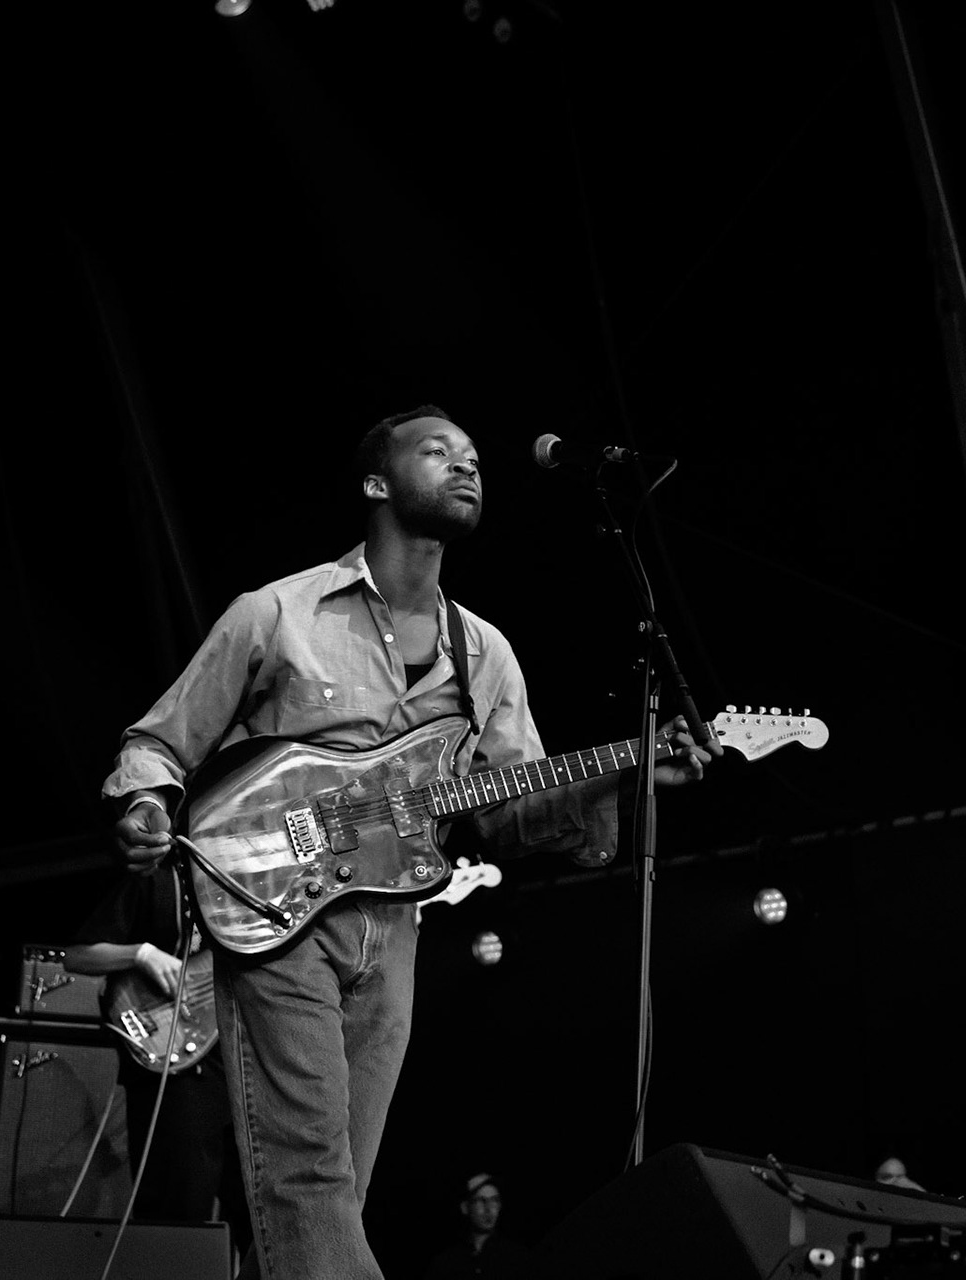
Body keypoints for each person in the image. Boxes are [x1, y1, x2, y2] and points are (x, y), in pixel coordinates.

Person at [102, 406, 716, 1279]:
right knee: (308, 1174)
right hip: (276, 912)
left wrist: (628, 775)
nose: (467, 466)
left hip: (394, 929)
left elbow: (510, 810)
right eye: (438, 451)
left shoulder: (486, 653)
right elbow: (158, 742)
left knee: (335, 1183)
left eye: (473, 458)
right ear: (376, 482)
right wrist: (144, 803)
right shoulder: (279, 613)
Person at [63, 865, 251, 1259]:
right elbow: (77, 955)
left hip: (242, 1057)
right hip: (173, 1061)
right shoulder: (157, 877)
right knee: (177, 1214)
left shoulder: (256, 883)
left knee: (259, 1212)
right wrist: (141, 954)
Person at [422, 1172, 531, 1280]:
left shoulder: (517, 1258)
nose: (489, 1209)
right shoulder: (446, 1263)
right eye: (481, 1201)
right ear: (465, 1207)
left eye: (494, 1200)